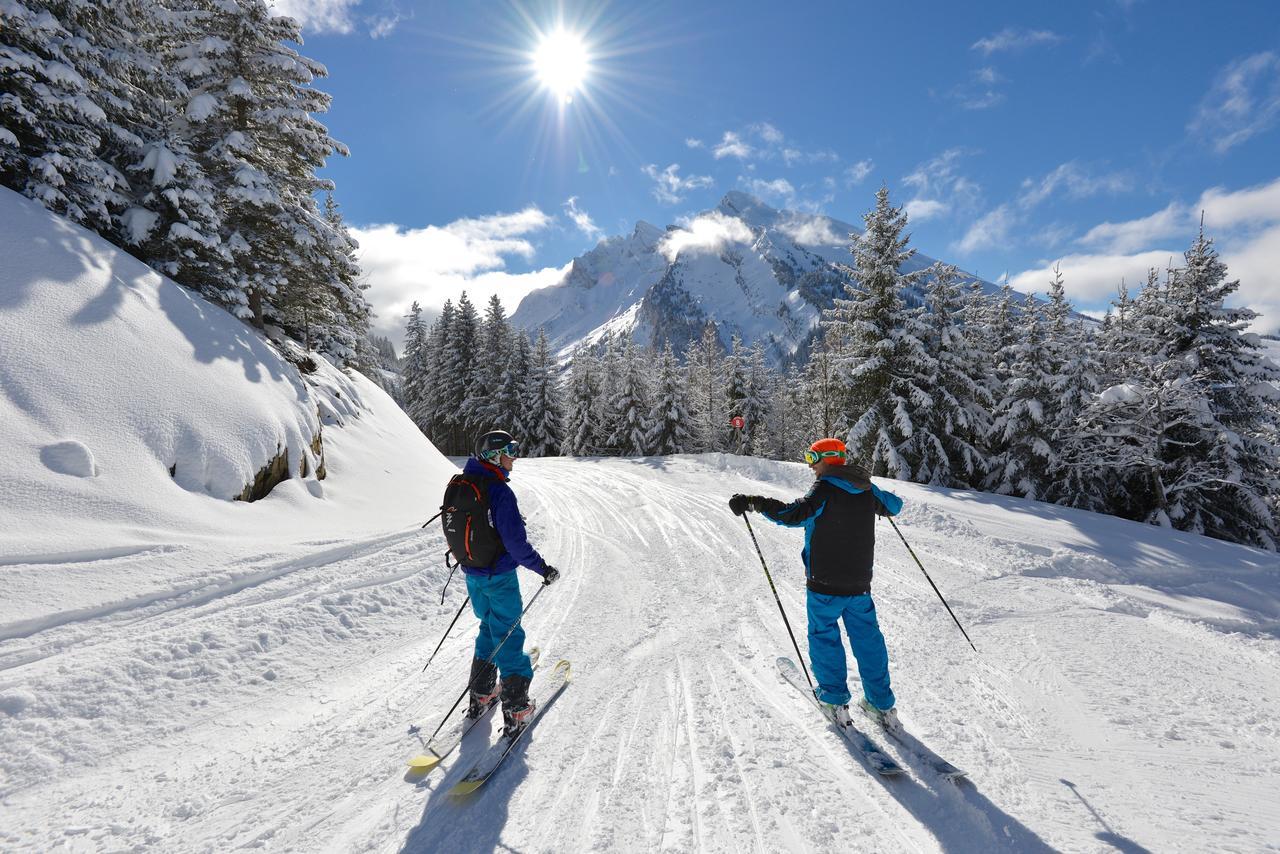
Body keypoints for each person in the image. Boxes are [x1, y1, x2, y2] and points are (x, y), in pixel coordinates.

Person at [729, 437, 904, 731]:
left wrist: (755, 503)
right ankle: (881, 704)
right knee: (868, 640)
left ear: (825, 459)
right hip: (860, 584)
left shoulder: (825, 487)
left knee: (824, 637)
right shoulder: (864, 487)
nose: (811, 467)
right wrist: (875, 499)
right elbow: (894, 506)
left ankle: (834, 701)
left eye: (812, 459)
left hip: (824, 583)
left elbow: (793, 514)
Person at [458, 429, 559, 736]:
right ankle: (516, 708)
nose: (514, 457)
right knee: (509, 635)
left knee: (489, 628)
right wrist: (542, 568)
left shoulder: (464, 483)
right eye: (510, 451)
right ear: (493, 456)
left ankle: (482, 694)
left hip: (473, 575)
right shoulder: (499, 492)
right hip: (499, 577)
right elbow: (516, 543)